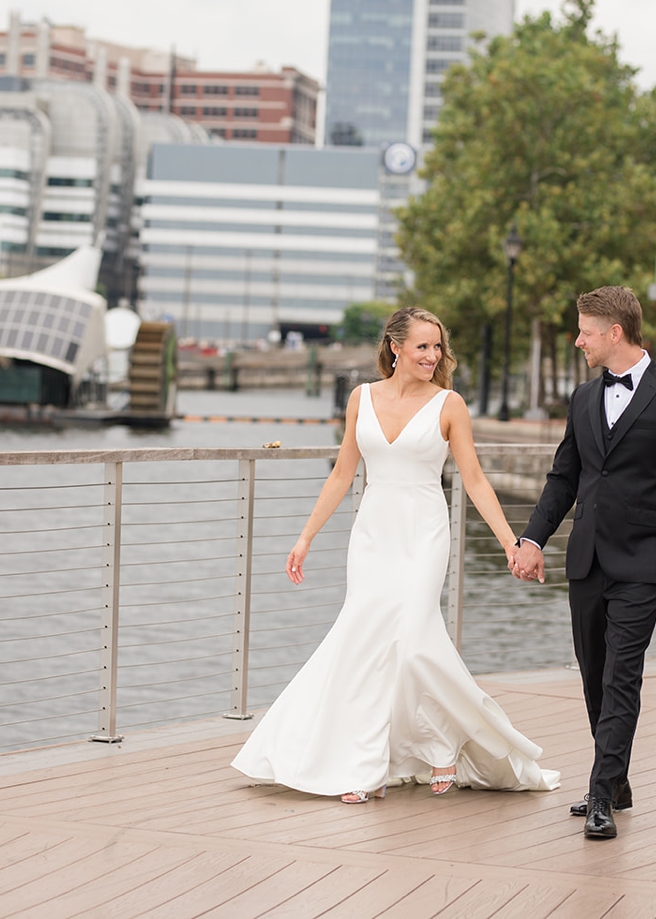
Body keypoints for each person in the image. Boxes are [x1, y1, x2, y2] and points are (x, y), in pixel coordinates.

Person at [232, 306, 560, 803]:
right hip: (373, 536)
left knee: (414, 642)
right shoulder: (360, 398)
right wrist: (305, 538)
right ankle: (365, 767)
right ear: (395, 347)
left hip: (424, 534)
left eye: (437, 347)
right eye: (423, 346)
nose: (433, 356)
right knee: (365, 646)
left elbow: (473, 479)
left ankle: (442, 739)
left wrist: (511, 543)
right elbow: (342, 474)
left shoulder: (450, 405)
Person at [511, 286, 656, 840]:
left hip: (644, 559)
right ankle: (618, 778)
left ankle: (601, 793)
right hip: (586, 557)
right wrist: (533, 540)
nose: (577, 339)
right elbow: (564, 477)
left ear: (614, 333)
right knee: (592, 677)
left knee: (620, 677)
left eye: (584, 330)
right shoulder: (583, 398)